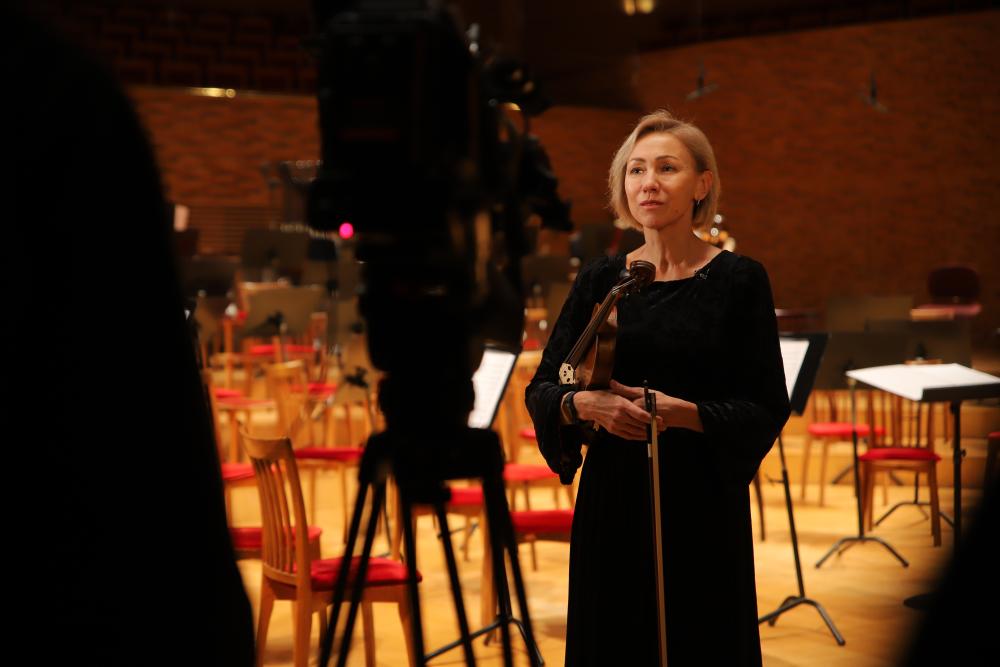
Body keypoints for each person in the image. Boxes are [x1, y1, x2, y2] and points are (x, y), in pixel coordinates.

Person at [526, 110, 790, 665]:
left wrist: (684, 413)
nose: (648, 182)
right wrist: (586, 404)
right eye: (636, 169)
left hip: (701, 500)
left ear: (702, 184)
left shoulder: (739, 280)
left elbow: (766, 406)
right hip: (613, 497)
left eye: (667, 168)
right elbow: (545, 387)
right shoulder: (602, 279)